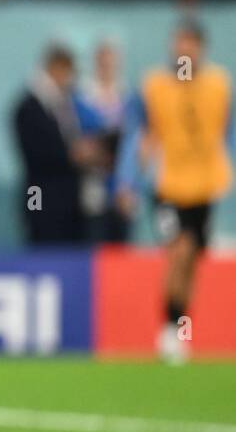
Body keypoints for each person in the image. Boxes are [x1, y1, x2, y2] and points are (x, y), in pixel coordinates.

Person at [116, 21, 232, 362]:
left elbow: (229, 132)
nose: (184, 52)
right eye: (179, 45)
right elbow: (136, 137)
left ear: (201, 49)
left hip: (205, 187)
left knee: (192, 260)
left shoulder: (219, 86)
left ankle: (181, 329)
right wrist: (127, 182)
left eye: (191, 45)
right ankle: (168, 329)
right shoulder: (154, 87)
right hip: (167, 186)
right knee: (179, 251)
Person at [13, 45, 101, 245]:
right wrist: (72, 155)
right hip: (39, 193)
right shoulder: (30, 107)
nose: (68, 78)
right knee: (41, 237)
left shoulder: (65, 105)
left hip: (66, 200)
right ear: (55, 69)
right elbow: (35, 153)